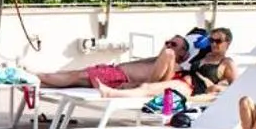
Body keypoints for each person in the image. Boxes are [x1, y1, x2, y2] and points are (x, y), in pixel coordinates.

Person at [35, 37, 186, 92]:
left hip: (118, 76)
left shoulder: (173, 64)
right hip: (113, 70)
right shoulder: (156, 59)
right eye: (167, 42)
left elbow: (157, 83)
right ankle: (35, 82)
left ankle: (31, 77)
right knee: (72, 75)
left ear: (183, 52)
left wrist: (133, 86)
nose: (168, 45)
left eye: (173, 44)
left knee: (73, 77)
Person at [187, 27, 235, 95]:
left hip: (198, 94)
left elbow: (236, 87)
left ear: (227, 44)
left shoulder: (227, 62)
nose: (214, 44)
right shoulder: (202, 54)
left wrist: (219, 88)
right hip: (185, 85)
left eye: (218, 41)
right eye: (211, 40)